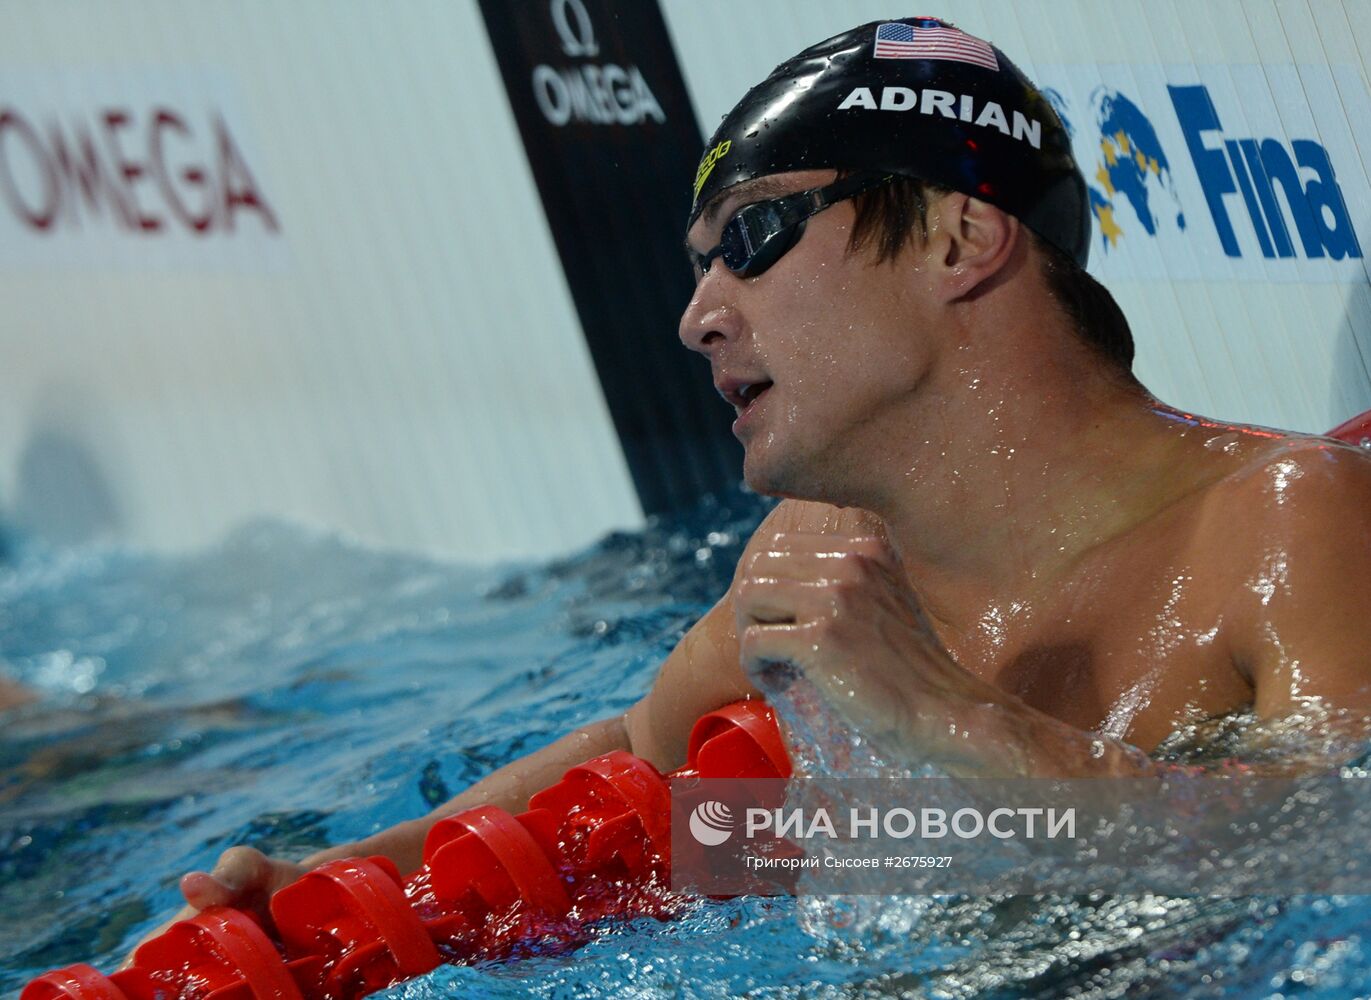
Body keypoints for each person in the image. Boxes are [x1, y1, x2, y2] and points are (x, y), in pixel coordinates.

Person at [165, 17, 1371, 928]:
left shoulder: (1285, 526)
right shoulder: (824, 554)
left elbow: (1325, 858)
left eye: (751, 241)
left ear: (961, 235)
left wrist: (946, 718)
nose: (697, 318)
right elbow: (637, 762)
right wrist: (338, 890)